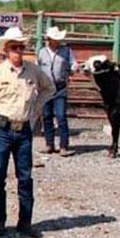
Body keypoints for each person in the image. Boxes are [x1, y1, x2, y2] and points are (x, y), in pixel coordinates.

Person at [0, 27, 54, 238]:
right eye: (15, 48)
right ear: (6, 50)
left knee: (25, 177)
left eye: (21, 47)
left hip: (24, 130)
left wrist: (35, 110)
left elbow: (49, 89)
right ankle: (0, 221)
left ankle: (25, 222)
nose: (19, 51)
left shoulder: (33, 70)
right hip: (1, 129)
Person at [37, 26, 77, 156]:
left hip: (60, 87)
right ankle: (50, 144)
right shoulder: (42, 52)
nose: (58, 41)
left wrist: (73, 68)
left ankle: (63, 145)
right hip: (45, 88)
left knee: (61, 116)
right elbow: (38, 68)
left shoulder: (66, 51)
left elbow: (73, 64)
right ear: (49, 39)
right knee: (47, 116)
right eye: (56, 39)